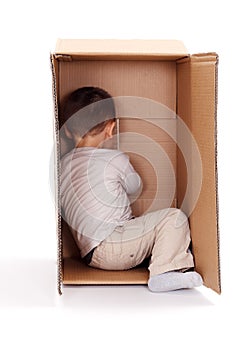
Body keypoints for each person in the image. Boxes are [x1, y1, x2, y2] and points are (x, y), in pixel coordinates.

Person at [60, 86, 203, 292]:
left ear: (66, 130)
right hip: (115, 244)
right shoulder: (114, 159)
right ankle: (164, 272)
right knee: (174, 218)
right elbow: (135, 186)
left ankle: (162, 254)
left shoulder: (63, 165)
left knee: (141, 228)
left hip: (89, 255)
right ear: (111, 128)